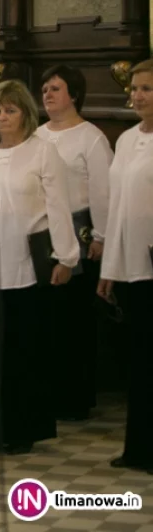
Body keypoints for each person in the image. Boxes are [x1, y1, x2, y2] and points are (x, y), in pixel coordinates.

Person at [0, 80, 79, 455]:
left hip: (29, 266)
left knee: (24, 351)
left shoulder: (43, 152)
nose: (3, 117)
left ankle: (24, 428)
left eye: (11, 110)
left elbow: (58, 207)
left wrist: (65, 256)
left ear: (25, 113)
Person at [36, 65, 112, 421]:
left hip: (80, 230)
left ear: (74, 94)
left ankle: (75, 395)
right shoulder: (36, 135)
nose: (48, 94)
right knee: (47, 315)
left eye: (55, 88)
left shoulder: (90, 137)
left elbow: (102, 191)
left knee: (74, 317)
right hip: (42, 232)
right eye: (45, 89)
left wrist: (101, 235)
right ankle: (48, 390)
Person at [97, 59, 153, 475]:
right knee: (141, 359)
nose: (137, 96)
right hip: (133, 264)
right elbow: (116, 209)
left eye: (147, 89)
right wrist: (109, 268)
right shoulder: (127, 139)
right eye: (134, 88)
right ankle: (139, 448)